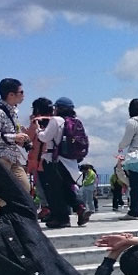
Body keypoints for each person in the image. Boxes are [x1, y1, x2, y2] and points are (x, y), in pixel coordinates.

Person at [35, 97, 91, 228]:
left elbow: (45, 137)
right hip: (70, 161)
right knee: (66, 187)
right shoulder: (75, 121)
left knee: (54, 190)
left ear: (58, 108)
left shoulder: (56, 120)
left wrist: (38, 129)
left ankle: (61, 218)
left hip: (54, 159)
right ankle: (80, 207)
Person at [0, 78, 31, 196]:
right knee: (2, 193)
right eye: (21, 92)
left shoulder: (13, 112)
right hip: (1, 158)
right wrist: (14, 137)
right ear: (11, 95)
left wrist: (21, 138)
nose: (24, 95)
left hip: (13, 157)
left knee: (24, 189)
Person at [26, 97, 55, 220]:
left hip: (38, 161)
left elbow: (29, 138)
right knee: (52, 186)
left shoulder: (36, 122)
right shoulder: (55, 121)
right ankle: (55, 207)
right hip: (54, 158)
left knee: (41, 186)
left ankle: (46, 208)